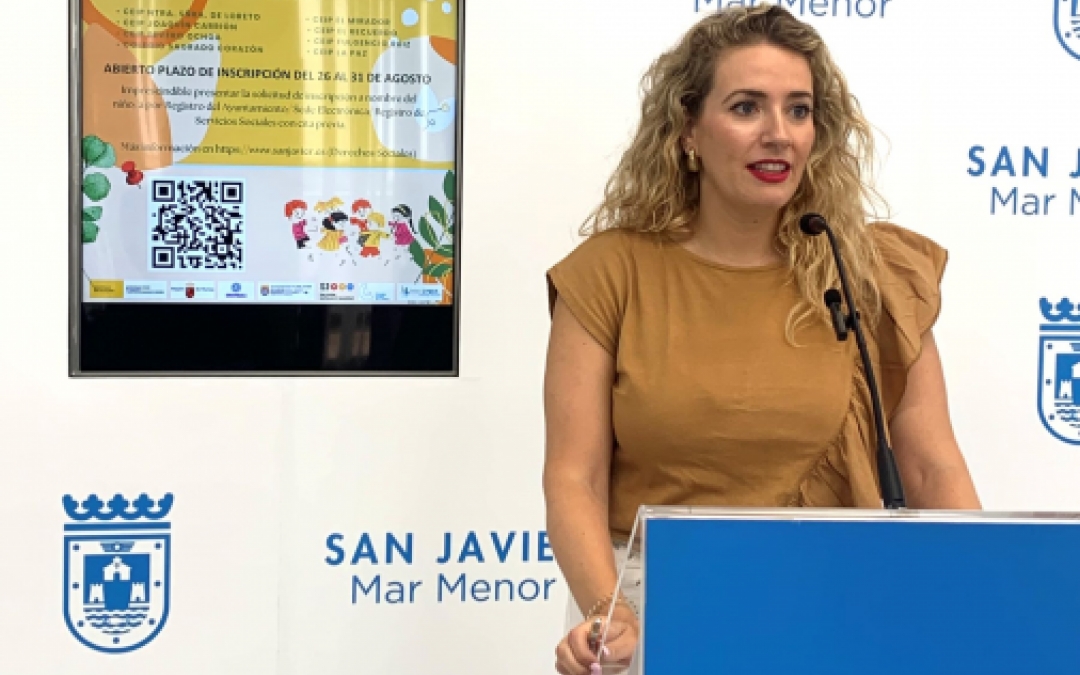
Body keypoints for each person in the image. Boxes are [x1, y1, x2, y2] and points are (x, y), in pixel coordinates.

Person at [541, 6, 981, 675]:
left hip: (839, 601)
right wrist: (612, 615)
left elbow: (931, 467)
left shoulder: (869, 273)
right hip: (654, 613)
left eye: (798, 110)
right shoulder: (609, 273)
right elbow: (575, 477)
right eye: (747, 107)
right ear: (688, 129)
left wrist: (977, 597)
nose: (779, 134)